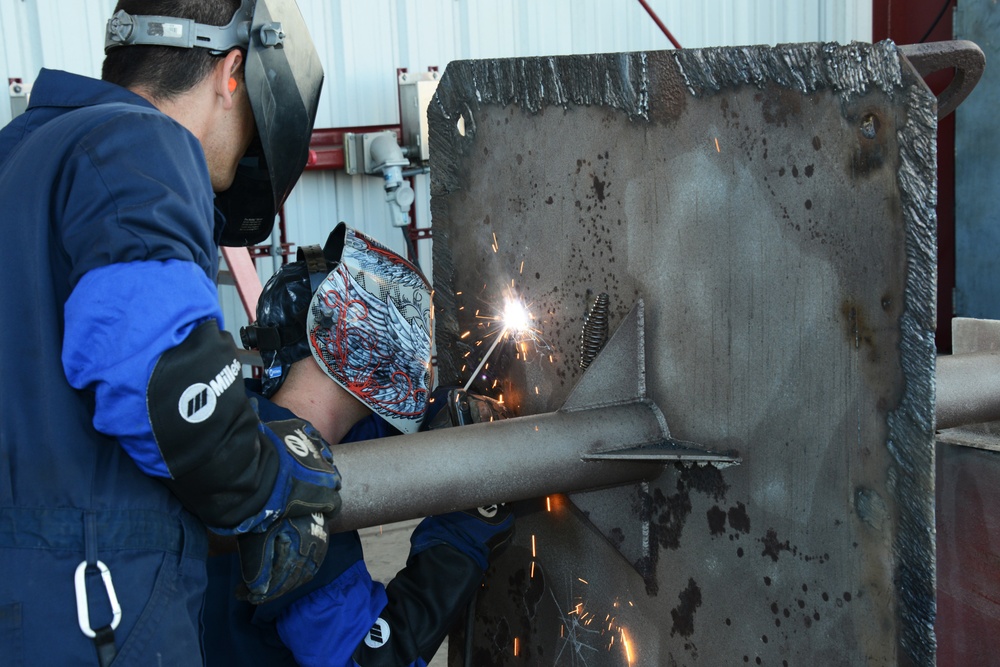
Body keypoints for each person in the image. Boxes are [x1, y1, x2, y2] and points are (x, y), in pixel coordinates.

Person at [0, 1, 338, 664]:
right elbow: (167, 388)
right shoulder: (141, 147)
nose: (245, 154)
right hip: (89, 611)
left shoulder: (22, 155)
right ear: (232, 73)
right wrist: (273, 484)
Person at [203, 222, 514, 666]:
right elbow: (372, 659)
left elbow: (364, 433)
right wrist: (460, 536)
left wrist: (438, 413)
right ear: (349, 329)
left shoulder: (251, 430)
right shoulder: (287, 488)